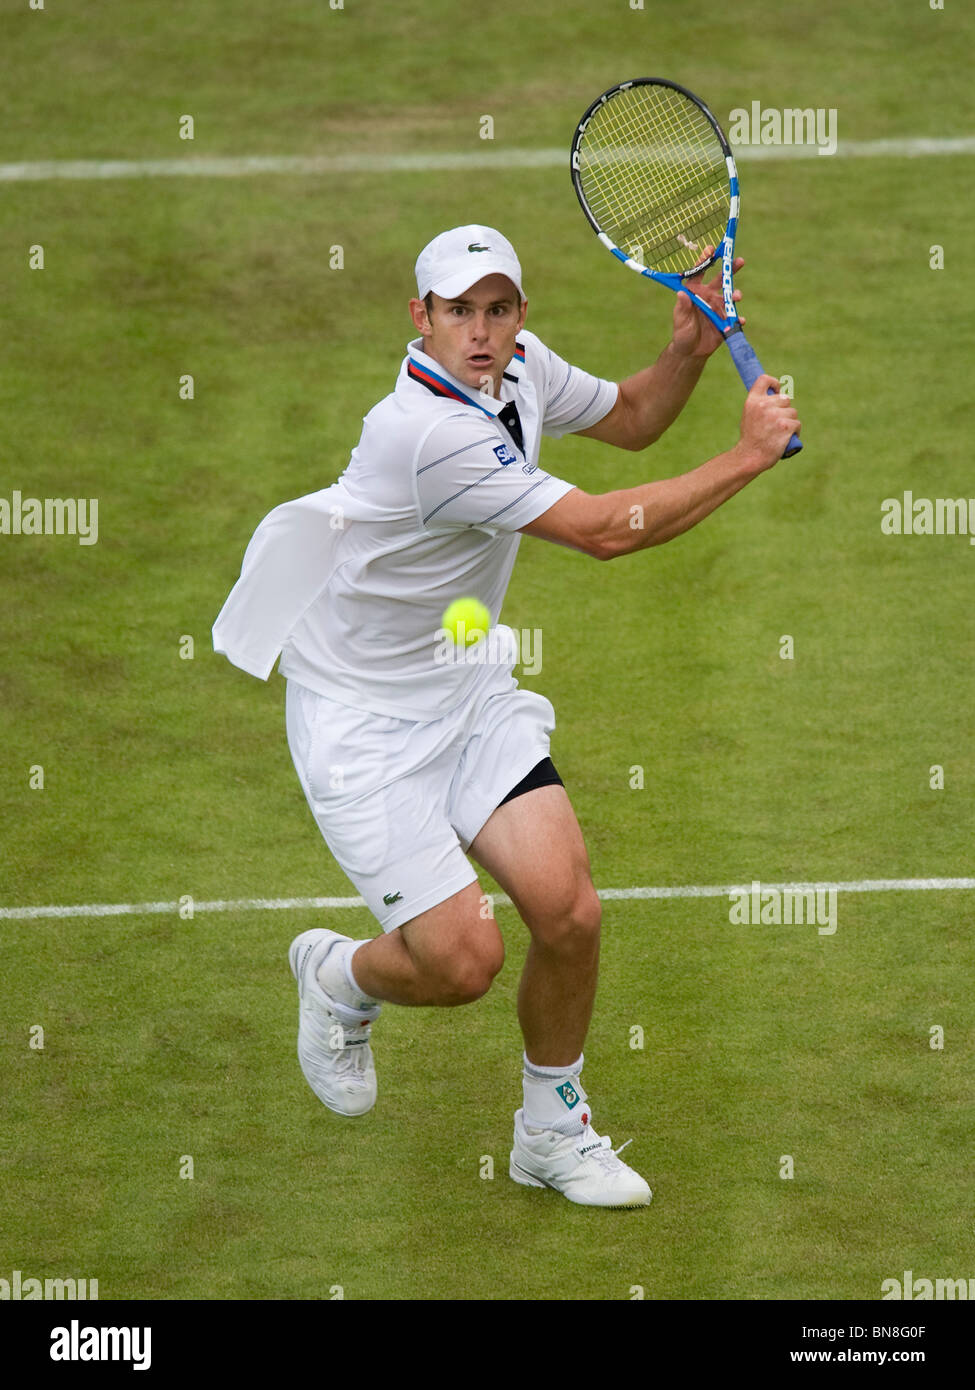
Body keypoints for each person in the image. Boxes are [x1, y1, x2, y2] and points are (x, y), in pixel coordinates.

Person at [212, 224, 800, 1209]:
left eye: (497, 308)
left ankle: (552, 1132)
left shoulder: (520, 367)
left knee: (569, 912)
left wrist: (687, 350)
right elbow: (606, 532)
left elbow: (633, 418)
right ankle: (342, 976)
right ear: (421, 319)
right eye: (458, 311)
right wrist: (745, 457)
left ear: (519, 316)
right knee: (462, 963)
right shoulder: (426, 436)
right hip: (364, 729)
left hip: (463, 684)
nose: (480, 332)